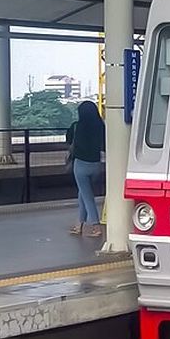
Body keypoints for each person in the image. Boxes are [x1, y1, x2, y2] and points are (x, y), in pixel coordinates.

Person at [67, 101, 105, 237]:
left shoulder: (76, 126)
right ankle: (79, 225)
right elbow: (104, 145)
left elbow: (69, 141)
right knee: (83, 193)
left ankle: (96, 226)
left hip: (81, 165)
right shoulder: (100, 126)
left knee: (87, 196)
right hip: (96, 164)